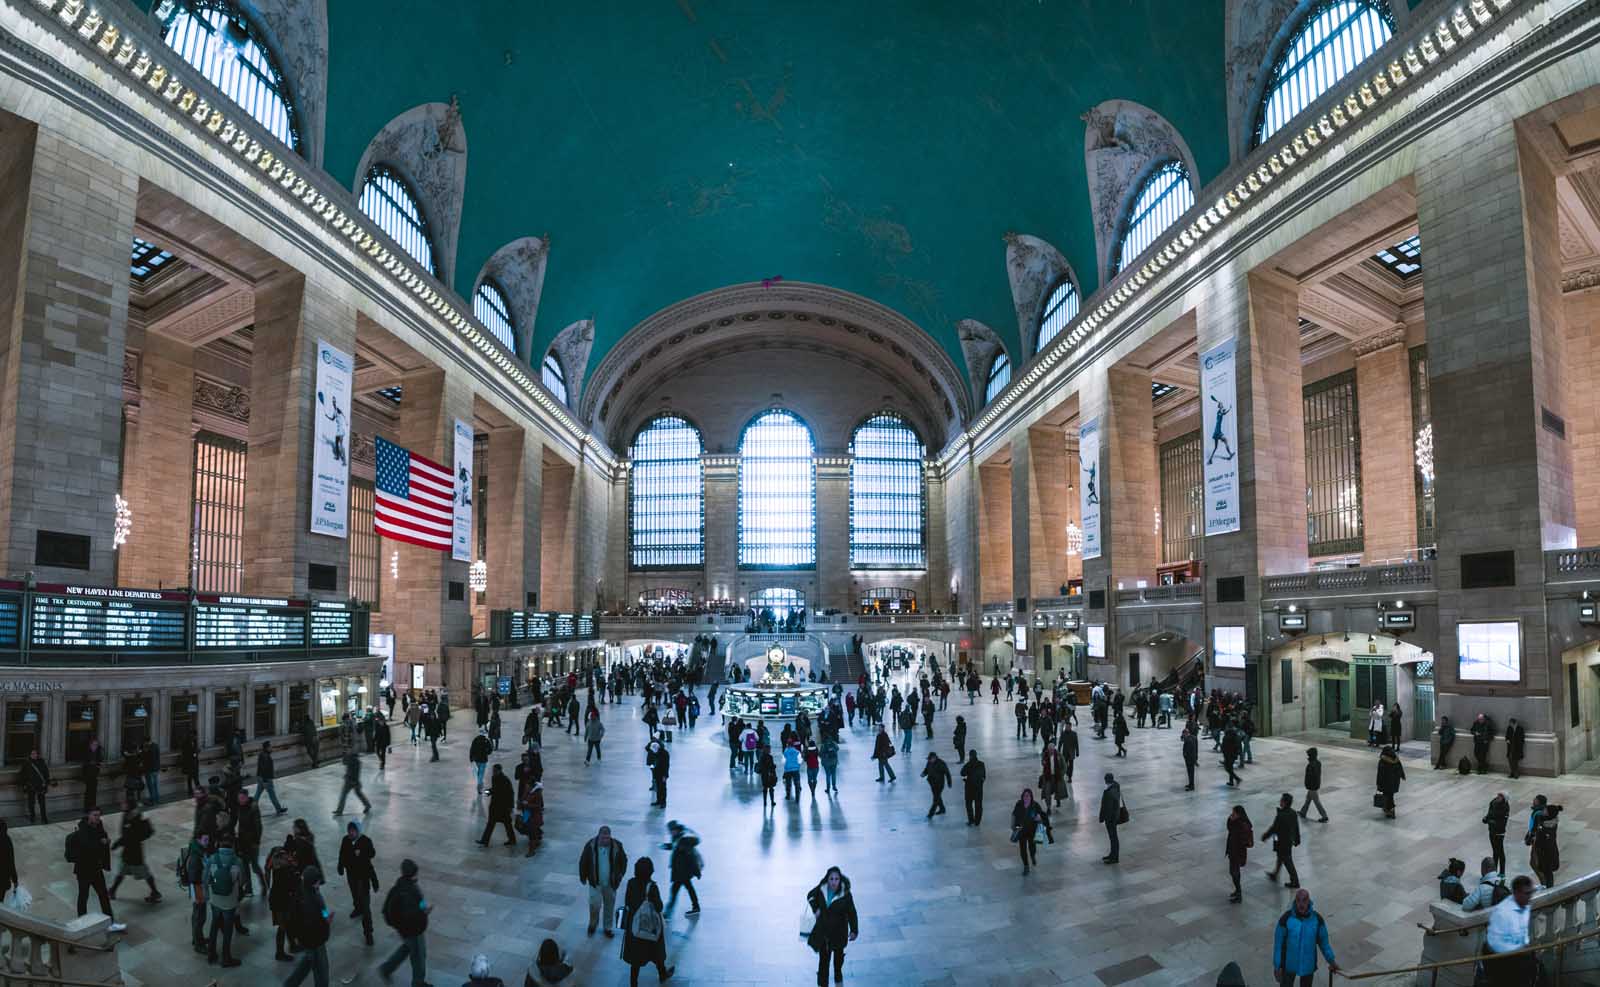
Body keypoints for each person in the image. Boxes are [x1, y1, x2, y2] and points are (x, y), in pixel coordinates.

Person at [68, 808, 125, 932]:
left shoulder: (98, 825)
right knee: (83, 897)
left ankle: (111, 922)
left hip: (95, 868)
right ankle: (81, 924)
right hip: (83, 870)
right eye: (95, 815)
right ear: (88, 815)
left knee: (103, 895)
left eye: (99, 815)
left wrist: (105, 841)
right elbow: (88, 847)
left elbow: (102, 836)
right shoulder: (82, 829)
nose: (97, 818)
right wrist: (101, 842)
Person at [620, 857, 673, 986]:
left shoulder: (631, 883)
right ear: (650, 872)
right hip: (650, 927)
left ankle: (634, 984)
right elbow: (659, 906)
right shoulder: (652, 887)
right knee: (656, 953)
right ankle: (662, 974)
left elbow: (627, 902)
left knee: (636, 959)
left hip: (635, 927)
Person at [378, 858, 431, 987]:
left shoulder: (399, 886)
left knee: (407, 948)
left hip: (403, 929)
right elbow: (412, 915)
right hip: (413, 930)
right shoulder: (411, 890)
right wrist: (424, 913)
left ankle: (387, 968)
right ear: (414, 874)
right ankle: (418, 983)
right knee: (418, 956)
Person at [1272, 888, 1339, 987]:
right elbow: (1278, 944)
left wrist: (1332, 961)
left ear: (1309, 901)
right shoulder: (1286, 919)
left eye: (1304, 900)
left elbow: (1324, 944)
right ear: (1295, 901)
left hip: (1308, 965)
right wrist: (1277, 966)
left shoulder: (1317, 920)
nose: (1301, 904)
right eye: (1298, 900)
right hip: (1288, 965)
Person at [805, 867, 858, 987]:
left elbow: (852, 912)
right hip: (825, 935)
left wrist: (854, 930)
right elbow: (810, 896)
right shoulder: (821, 889)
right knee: (823, 963)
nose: (834, 882)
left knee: (838, 964)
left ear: (840, 880)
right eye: (831, 879)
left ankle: (839, 982)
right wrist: (816, 909)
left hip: (839, 934)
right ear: (827, 880)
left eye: (836, 879)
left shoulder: (845, 894)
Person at [1481, 876, 1535, 986]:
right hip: (1503, 966)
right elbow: (1493, 945)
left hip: (1515, 963)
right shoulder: (1503, 913)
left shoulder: (1523, 907)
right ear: (1516, 893)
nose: (1530, 897)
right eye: (1527, 893)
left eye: (1531, 893)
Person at [285, 865, 331, 987]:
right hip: (315, 941)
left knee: (308, 963)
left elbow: (323, 909)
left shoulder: (307, 892)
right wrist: (325, 921)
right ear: (311, 883)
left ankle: (290, 984)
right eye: (317, 882)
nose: (318, 885)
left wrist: (326, 916)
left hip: (310, 941)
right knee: (321, 970)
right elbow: (313, 922)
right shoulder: (309, 900)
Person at [578, 826, 627, 938]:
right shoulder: (590, 845)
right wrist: (583, 876)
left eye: (607, 838)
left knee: (609, 906)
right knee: (594, 905)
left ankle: (607, 928)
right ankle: (593, 924)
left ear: (610, 837)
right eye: (603, 838)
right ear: (598, 836)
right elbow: (583, 861)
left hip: (611, 884)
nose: (605, 841)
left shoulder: (617, 846)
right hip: (595, 883)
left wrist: (620, 875)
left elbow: (624, 861)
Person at [109, 804, 161, 904]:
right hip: (128, 852)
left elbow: (131, 836)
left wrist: (117, 844)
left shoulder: (136, 818)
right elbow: (125, 835)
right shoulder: (127, 816)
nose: (121, 804)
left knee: (144, 873)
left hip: (134, 854)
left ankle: (155, 892)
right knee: (122, 871)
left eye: (124, 803)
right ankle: (112, 890)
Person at [204, 837, 244, 967]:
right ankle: (226, 958)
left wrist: (207, 894)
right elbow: (242, 881)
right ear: (232, 846)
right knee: (227, 929)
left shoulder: (212, 859)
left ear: (219, 845)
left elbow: (205, 879)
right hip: (230, 901)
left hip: (215, 899)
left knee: (214, 925)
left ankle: (211, 953)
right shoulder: (238, 861)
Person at [338, 820, 379, 946]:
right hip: (351, 876)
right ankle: (357, 908)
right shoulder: (345, 840)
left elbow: (372, 855)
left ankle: (368, 933)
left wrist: (374, 881)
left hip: (363, 878)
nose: (350, 833)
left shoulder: (365, 841)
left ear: (358, 831)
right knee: (355, 895)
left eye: (353, 831)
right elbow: (342, 854)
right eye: (349, 831)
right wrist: (340, 866)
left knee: (366, 906)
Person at [1262, 792, 1301, 888]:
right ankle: (1275, 874)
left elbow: (1274, 828)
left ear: (1284, 803)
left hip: (1282, 842)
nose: (1280, 801)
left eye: (1281, 800)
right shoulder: (1293, 813)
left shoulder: (1281, 815)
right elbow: (1296, 827)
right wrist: (1297, 839)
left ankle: (1295, 881)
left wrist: (1265, 836)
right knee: (1280, 857)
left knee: (1287, 861)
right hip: (1288, 841)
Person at [661, 820, 701, 916]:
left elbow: (689, 856)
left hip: (682, 871)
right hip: (680, 870)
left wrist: (696, 871)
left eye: (671, 830)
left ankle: (668, 913)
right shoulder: (677, 837)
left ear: (676, 829)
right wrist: (666, 846)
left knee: (675, 891)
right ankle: (696, 906)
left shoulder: (684, 840)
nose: (670, 832)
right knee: (688, 888)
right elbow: (675, 847)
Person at [1010, 788, 1052, 875]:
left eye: (1028, 796)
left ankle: (1032, 856)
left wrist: (1039, 818)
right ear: (1022, 797)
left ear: (1031, 797)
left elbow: (1042, 815)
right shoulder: (1019, 805)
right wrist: (1013, 825)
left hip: (1032, 831)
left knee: (1032, 847)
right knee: (1023, 849)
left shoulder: (1035, 805)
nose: (1026, 798)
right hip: (1021, 831)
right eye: (1025, 796)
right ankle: (1026, 866)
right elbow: (1013, 814)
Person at [478, 764, 517, 848]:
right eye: (493, 771)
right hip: (495, 806)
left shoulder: (505, 779)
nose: (493, 772)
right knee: (491, 823)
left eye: (495, 771)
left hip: (503, 807)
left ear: (500, 770)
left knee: (507, 824)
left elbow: (510, 793)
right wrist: (485, 792)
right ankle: (485, 840)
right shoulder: (494, 778)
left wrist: (511, 806)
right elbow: (494, 790)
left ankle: (512, 840)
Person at [1225, 804, 1253, 903]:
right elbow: (1229, 828)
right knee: (1233, 872)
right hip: (1233, 851)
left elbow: (1241, 840)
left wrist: (1232, 821)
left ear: (1239, 814)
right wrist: (1231, 819)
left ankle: (1239, 894)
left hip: (1237, 853)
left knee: (1234, 872)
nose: (1231, 814)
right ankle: (1237, 891)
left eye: (1233, 813)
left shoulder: (1242, 825)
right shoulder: (1236, 822)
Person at [1529, 802, 1561, 887]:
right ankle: (1545, 885)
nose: (1543, 810)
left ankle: (1548, 889)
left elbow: (1543, 840)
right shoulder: (1544, 820)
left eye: (1545, 810)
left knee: (1548, 872)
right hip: (1542, 852)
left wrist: (1536, 836)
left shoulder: (1548, 827)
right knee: (1540, 868)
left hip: (1547, 853)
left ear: (1548, 814)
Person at [334, 746, 372, 815]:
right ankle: (367, 805)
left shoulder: (355, 761)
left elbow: (355, 772)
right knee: (358, 794)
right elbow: (344, 763)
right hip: (352, 780)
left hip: (351, 780)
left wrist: (353, 780)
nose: (348, 750)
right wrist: (344, 755)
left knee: (344, 795)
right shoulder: (351, 758)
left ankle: (339, 811)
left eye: (348, 750)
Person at [1297, 748, 1328, 823]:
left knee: (1316, 802)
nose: (1307, 756)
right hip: (1315, 785)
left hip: (1312, 787)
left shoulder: (1311, 765)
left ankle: (1324, 816)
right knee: (1308, 799)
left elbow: (1310, 777)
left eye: (1308, 755)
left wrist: (1308, 786)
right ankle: (1303, 812)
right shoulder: (1318, 763)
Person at [256, 741, 287, 814]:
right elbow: (264, 768)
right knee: (272, 794)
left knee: (257, 794)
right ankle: (278, 809)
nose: (271, 748)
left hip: (261, 778)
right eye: (270, 747)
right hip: (266, 779)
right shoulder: (266, 756)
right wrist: (265, 780)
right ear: (267, 748)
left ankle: (251, 807)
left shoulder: (262, 754)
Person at [1375, 745, 1405, 819]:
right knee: (1390, 795)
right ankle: (1388, 809)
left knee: (1387, 796)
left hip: (1385, 783)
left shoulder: (1383, 761)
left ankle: (1390, 810)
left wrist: (1378, 783)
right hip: (1394, 783)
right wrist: (1402, 777)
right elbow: (1400, 770)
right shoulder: (1396, 760)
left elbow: (1380, 774)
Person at [1098, 772, 1122, 864]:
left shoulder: (1109, 793)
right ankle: (1112, 854)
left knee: (1113, 838)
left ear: (1106, 780)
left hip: (1111, 819)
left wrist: (1102, 818)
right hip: (1114, 817)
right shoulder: (1115, 787)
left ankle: (1114, 858)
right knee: (1113, 838)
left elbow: (1106, 808)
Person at [1484, 792, 1510, 875]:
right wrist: (1486, 818)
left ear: (1504, 798)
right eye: (1498, 795)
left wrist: (1491, 822)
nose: (1498, 797)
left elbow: (1502, 822)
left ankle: (1502, 872)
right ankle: (1494, 871)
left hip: (1499, 832)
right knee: (1495, 851)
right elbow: (1489, 813)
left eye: (1501, 796)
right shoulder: (1493, 803)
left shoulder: (1505, 807)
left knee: (1499, 852)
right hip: (1491, 830)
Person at [21, 748, 48, 824]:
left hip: (40, 786)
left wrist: (46, 784)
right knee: (31, 803)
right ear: (30, 755)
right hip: (31, 786)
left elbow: (46, 773)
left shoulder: (41, 762)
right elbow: (23, 775)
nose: (34, 755)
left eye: (35, 753)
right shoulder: (26, 763)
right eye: (32, 754)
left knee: (42, 803)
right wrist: (24, 785)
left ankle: (44, 818)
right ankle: (32, 817)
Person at [920, 752, 951, 819]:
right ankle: (942, 809)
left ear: (934, 758)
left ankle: (930, 814)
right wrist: (924, 773)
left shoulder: (941, 763)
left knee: (936, 799)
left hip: (939, 784)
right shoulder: (929, 762)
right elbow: (927, 769)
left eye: (930, 759)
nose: (929, 760)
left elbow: (947, 773)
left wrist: (949, 782)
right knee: (937, 797)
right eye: (929, 759)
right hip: (932, 783)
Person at [960, 751, 985, 826]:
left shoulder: (968, 764)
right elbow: (984, 776)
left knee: (969, 805)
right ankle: (977, 821)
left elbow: (962, 773)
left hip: (969, 788)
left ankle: (971, 820)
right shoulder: (981, 764)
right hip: (978, 789)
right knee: (978, 805)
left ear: (970, 756)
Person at [1181, 726, 1198, 791]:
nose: (1183, 736)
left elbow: (1189, 751)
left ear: (1186, 733)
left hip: (1189, 759)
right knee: (1190, 773)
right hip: (1191, 759)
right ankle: (1190, 784)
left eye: (1183, 734)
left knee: (1190, 773)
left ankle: (1192, 786)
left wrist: (1185, 756)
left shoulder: (1188, 740)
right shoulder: (1193, 737)